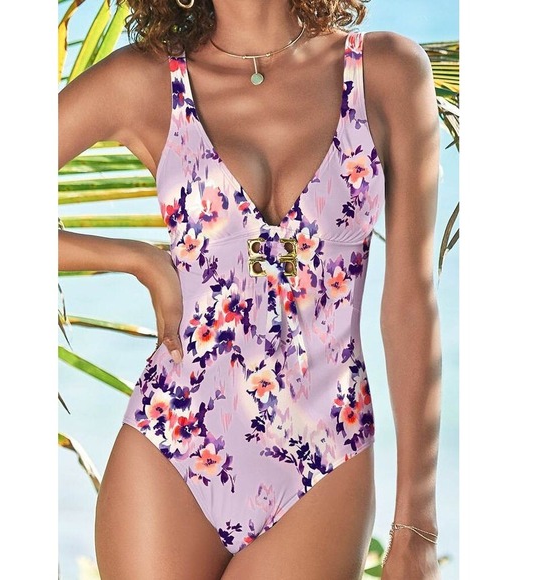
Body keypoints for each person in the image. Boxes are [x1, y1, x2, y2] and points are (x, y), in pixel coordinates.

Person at [58, 0, 442, 578]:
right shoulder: (143, 79)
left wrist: (416, 525)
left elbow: (411, 299)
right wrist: (136, 259)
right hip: (173, 445)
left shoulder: (386, 71)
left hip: (325, 459)